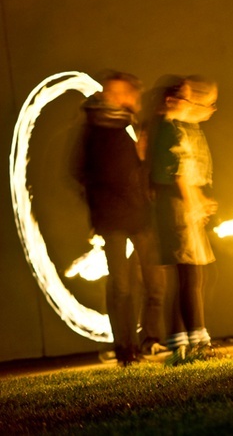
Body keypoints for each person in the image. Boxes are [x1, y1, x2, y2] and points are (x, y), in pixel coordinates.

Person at [74, 70, 166, 366]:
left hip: (138, 213)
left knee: (153, 280)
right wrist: (100, 203)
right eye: (122, 93)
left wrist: (141, 165)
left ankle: (149, 341)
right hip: (114, 216)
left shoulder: (128, 124)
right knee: (122, 286)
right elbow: (80, 170)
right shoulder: (96, 128)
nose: (130, 98)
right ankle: (126, 349)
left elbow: (138, 168)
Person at [149, 75, 221, 363]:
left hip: (178, 208)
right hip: (178, 209)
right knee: (191, 275)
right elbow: (177, 173)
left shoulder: (167, 129)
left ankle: (181, 342)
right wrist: (196, 202)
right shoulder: (169, 130)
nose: (193, 104)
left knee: (187, 276)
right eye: (188, 98)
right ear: (172, 100)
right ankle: (198, 341)